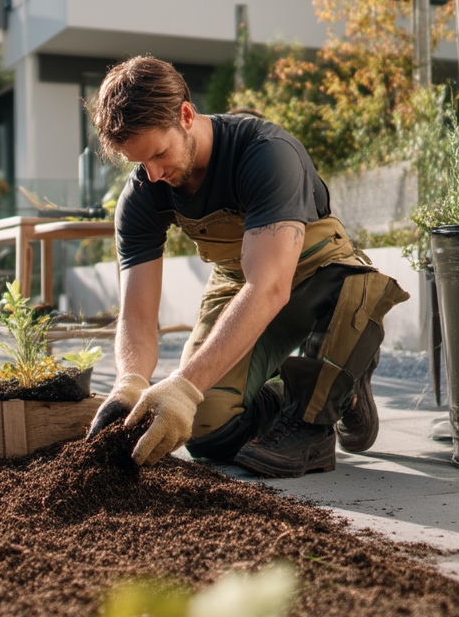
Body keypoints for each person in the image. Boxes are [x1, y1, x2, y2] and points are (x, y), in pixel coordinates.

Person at [86, 56, 409, 478]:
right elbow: (138, 315)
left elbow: (270, 286)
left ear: (186, 114)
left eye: (159, 154)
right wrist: (130, 383)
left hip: (315, 274)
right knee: (206, 430)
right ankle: (307, 392)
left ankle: (326, 397)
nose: (154, 173)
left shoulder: (266, 153)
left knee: (354, 296)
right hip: (239, 283)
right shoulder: (144, 191)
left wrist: (184, 385)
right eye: (139, 163)